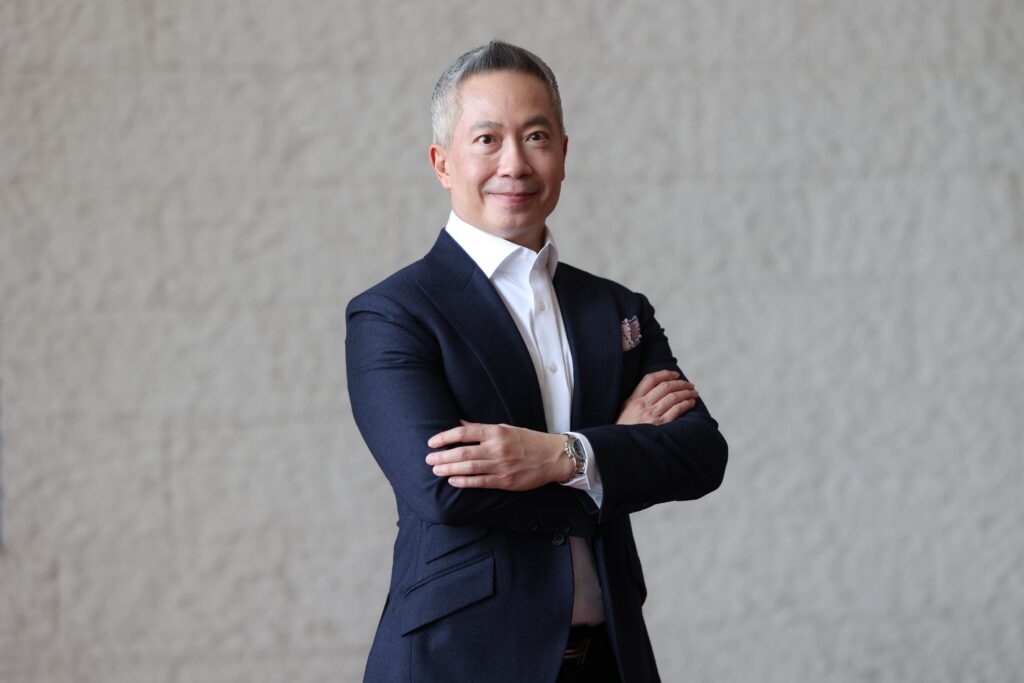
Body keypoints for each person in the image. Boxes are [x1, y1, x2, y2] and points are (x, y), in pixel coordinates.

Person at [346, 40, 727, 683]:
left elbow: (700, 454)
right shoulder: (393, 314)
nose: (515, 163)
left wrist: (561, 456)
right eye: (487, 139)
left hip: (611, 661)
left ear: (564, 154)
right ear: (442, 163)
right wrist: (612, 459)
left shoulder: (616, 308)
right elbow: (443, 491)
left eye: (536, 136)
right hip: (461, 662)